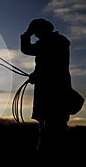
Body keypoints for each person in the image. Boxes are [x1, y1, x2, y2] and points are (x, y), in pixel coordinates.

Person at [20, 18, 72, 156]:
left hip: (54, 91)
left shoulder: (56, 42)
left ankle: (47, 152)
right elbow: (47, 63)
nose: (35, 35)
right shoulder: (53, 42)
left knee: (54, 124)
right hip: (51, 89)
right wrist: (37, 74)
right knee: (48, 122)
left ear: (42, 30)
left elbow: (29, 51)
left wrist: (27, 34)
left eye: (35, 32)